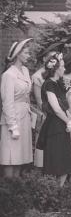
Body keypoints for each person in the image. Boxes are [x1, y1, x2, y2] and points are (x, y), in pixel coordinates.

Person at [37, 52, 71, 186]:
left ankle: (60, 192)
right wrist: (68, 121)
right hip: (54, 127)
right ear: (55, 68)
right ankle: (52, 194)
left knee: (65, 163)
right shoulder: (49, 84)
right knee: (55, 163)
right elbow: (56, 109)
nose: (64, 69)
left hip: (63, 127)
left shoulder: (59, 84)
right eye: (63, 66)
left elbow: (64, 108)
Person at [0, 38, 34, 178]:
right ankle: (9, 189)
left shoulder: (25, 70)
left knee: (20, 155)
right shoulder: (8, 74)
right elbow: (7, 102)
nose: (28, 55)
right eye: (26, 53)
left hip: (24, 116)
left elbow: (26, 94)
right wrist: (12, 125)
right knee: (10, 155)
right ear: (18, 54)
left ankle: (17, 188)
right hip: (12, 118)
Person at [32, 49, 57, 168]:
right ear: (44, 59)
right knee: (42, 142)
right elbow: (39, 99)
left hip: (57, 113)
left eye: (55, 58)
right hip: (45, 113)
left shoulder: (56, 74)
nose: (53, 61)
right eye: (50, 58)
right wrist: (49, 113)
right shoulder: (38, 75)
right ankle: (40, 172)